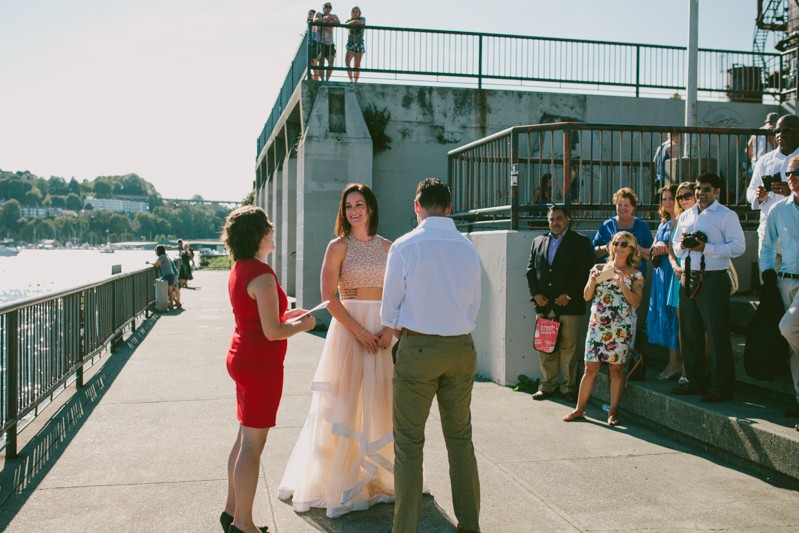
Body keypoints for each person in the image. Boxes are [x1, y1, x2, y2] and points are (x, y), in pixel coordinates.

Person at [278, 184, 395, 517]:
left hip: (382, 332)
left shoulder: (389, 246)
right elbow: (329, 297)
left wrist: (389, 329)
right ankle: (340, 481)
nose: (354, 211)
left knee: (378, 401)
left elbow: (400, 293)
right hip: (349, 331)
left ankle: (378, 479)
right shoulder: (337, 246)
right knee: (344, 404)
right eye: (348, 207)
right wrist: (358, 331)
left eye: (359, 205)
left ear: (370, 208)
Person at [381, 178, 482, 533]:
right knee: (460, 440)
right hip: (460, 347)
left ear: (417, 206)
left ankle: (405, 529)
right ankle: (470, 524)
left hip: (419, 346)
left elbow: (388, 309)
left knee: (409, 444)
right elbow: (474, 304)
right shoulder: (468, 247)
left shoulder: (406, 246)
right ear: (450, 207)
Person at [220, 206, 316, 533]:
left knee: (243, 438)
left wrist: (289, 317)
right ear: (258, 234)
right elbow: (272, 331)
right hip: (260, 365)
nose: (273, 233)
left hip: (242, 356)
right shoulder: (262, 274)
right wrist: (306, 325)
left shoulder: (241, 268)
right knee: (252, 446)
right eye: (269, 228)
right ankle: (243, 524)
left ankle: (232, 511)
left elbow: (260, 319)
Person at [671, 173, 745, 403]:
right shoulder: (686, 215)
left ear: (717, 192)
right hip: (689, 277)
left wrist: (707, 247)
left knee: (716, 334)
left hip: (713, 279)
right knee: (691, 332)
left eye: (706, 189)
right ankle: (694, 380)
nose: (700, 193)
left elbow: (739, 247)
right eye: (698, 188)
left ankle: (722, 386)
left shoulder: (726, 215)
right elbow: (675, 244)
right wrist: (684, 245)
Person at [563, 231, 644, 426]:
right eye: (616, 243)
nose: (619, 247)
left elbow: (636, 302)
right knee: (590, 368)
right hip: (598, 324)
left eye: (624, 244)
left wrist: (622, 284)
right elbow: (586, 296)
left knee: (616, 370)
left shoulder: (635, 275)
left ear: (631, 248)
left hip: (620, 327)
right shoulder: (600, 267)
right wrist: (592, 280)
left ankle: (613, 412)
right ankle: (579, 409)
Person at [526, 204, 593, 403]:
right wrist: (536, 294)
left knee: (569, 347)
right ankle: (546, 385)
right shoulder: (538, 241)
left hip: (569, 306)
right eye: (552, 219)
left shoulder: (580, 242)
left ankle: (568, 387)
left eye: (560, 218)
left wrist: (569, 294)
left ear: (567, 220)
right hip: (545, 305)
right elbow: (530, 270)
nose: (556, 222)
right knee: (545, 347)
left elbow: (584, 272)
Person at [760, 155, 799, 419]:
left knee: (788, 327)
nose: (792, 177)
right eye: (788, 173)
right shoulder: (778, 209)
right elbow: (766, 244)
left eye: (796, 172)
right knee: (791, 345)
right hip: (785, 279)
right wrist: (766, 271)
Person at [746, 114, 799, 256]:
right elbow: (750, 191)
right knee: (767, 276)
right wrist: (758, 196)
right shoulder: (764, 161)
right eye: (777, 131)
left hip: (796, 233)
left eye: (786, 130)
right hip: (769, 232)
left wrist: (793, 192)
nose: (780, 134)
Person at [647, 185, 683, 380]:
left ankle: (676, 363)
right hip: (661, 274)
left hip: (673, 273)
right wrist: (656, 248)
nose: (667, 202)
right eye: (664, 199)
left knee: (674, 317)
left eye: (671, 198)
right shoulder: (664, 223)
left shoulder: (682, 220)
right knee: (665, 314)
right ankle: (673, 361)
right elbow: (652, 249)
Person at [666, 181, 698, 386]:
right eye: (680, 197)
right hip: (679, 274)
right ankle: (685, 369)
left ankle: (695, 370)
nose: (683, 200)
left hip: (697, 272)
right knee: (682, 326)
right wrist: (675, 267)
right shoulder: (677, 220)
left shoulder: (700, 217)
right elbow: (671, 249)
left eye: (688, 196)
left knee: (697, 326)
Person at [592, 187, 654, 279]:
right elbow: (594, 251)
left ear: (633, 207)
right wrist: (608, 247)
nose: (622, 208)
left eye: (626, 205)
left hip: (634, 273)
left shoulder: (642, 226)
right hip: (610, 274)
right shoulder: (607, 225)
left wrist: (638, 249)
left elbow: (652, 253)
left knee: (632, 293)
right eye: (619, 204)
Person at [149, 244, 179, 310]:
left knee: (169, 291)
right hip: (170, 274)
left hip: (168, 275)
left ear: (158, 251)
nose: (155, 252)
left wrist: (149, 263)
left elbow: (157, 263)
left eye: (156, 251)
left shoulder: (162, 256)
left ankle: (172, 304)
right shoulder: (165, 256)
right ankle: (176, 303)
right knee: (169, 291)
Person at [315, 2, 340, 81]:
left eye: (330, 7)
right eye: (326, 6)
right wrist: (325, 19)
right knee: (321, 62)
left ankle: (327, 79)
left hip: (330, 42)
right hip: (320, 41)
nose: (328, 8)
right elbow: (315, 20)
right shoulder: (319, 14)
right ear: (323, 8)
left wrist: (332, 19)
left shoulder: (334, 16)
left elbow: (338, 23)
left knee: (331, 62)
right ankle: (322, 80)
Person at [344, 7, 366, 82]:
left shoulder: (362, 18)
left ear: (359, 13)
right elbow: (346, 25)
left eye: (357, 11)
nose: (355, 12)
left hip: (359, 43)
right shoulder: (349, 20)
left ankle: (356, 82)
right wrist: (353, 21)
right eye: (353, 11)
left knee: (357, 65)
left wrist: (354, 22)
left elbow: (362, 22)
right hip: (351, 43)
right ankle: (351, 79)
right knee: (347, 63)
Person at [307, 9, 320, 80]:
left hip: (314, 45)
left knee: (314, 64)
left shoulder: (314, 24)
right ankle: (313, 79)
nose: (310, 15)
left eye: (311, 14)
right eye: (309, 14)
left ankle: (316, 80)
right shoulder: (308, 24)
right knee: (308, 65)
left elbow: (313, 33)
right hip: (309, 46)